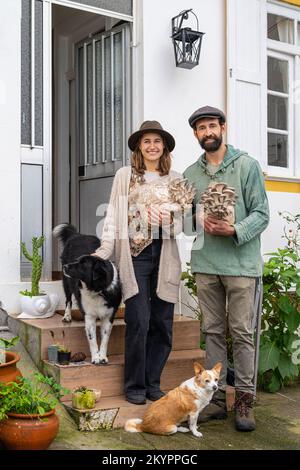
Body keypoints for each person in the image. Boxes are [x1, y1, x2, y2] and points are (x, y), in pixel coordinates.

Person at [183, 105, 269, 431]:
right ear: (196, 134)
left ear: (223, 127)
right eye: (201, 128)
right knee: (212, 332)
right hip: (206, 264)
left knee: (243, 334)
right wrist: (194, 219)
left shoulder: (246, 166)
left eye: (211, 126)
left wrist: (234, 230)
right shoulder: (191, 174)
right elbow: (186, 223)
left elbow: (261, 214)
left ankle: (245, 401)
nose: (207, 132)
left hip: (242, 265)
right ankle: (215, 401)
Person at [93, 121, 183, 405]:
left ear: (164, 146)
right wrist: (104, 250)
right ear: (139, 147)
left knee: (162, 324)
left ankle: (152, 383)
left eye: (157, 141)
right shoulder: (125, 175)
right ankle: (134, 385)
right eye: (147, 141)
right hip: (135, 256)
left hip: (165, 255)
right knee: (138, 321)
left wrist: (169, 221)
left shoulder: (176, 179)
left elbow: (180, 224)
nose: (152, 146)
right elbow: (112, 216)